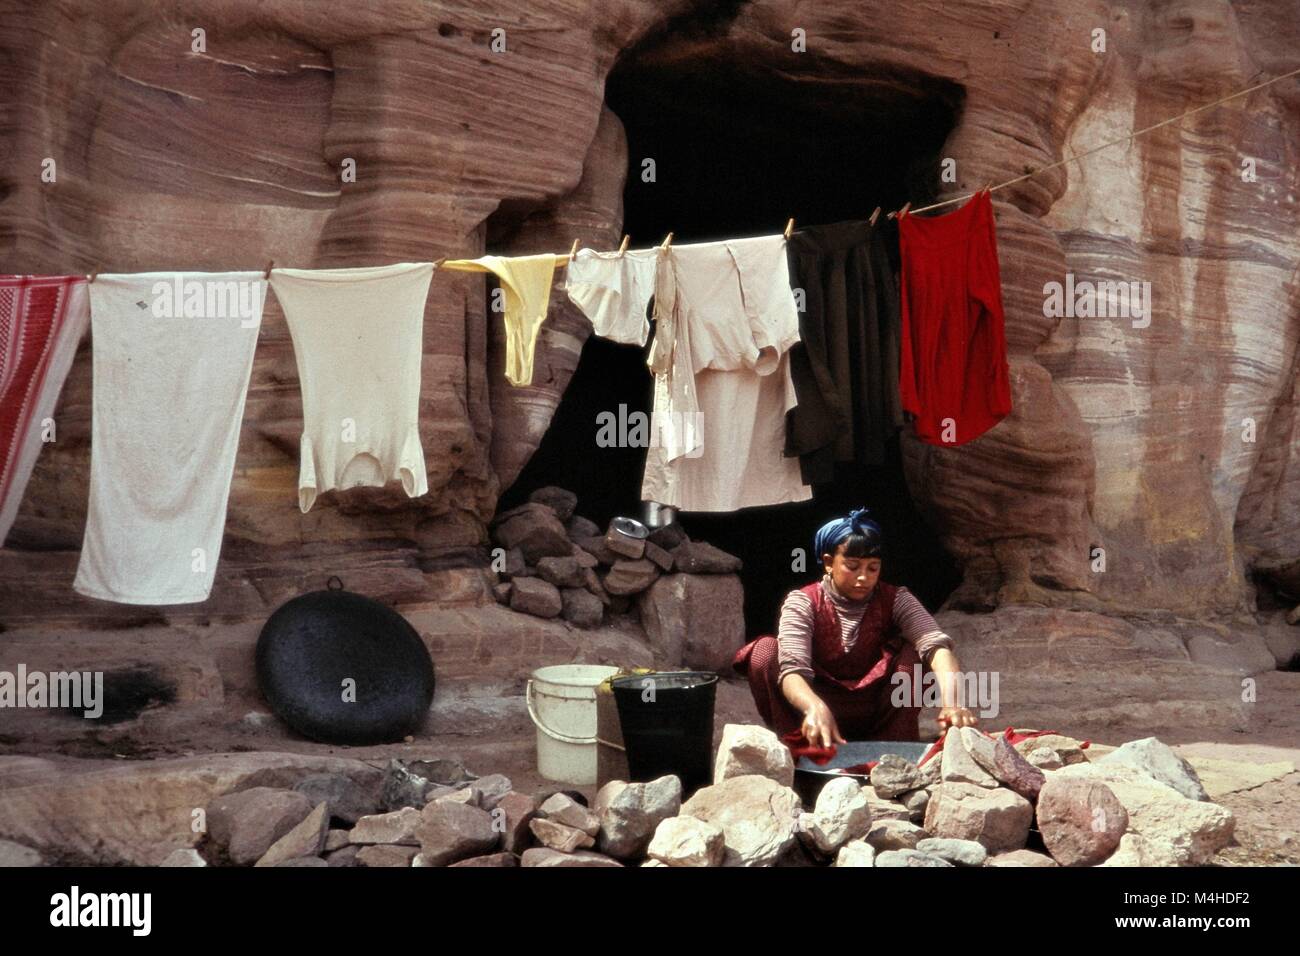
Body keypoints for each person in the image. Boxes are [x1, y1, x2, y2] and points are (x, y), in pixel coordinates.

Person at [733, 507, 977, 747]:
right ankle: (800, 751)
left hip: (876, 709)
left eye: (873, 568)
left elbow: (937, 647)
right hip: (815, 710)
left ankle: (893, 748)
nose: (864, 577)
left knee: (911, 656)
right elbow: (792, 670)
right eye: (852, 566)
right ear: (829, 562)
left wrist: (953, 703)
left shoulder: (896, 598)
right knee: (764, 652)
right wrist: (815, 707)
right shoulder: (803, 602)